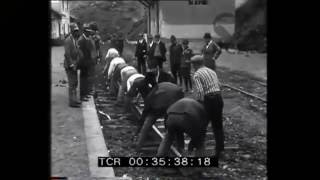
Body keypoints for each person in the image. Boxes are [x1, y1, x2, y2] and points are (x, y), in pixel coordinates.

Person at [190, 55, 225, 162]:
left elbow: (200, 92)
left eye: (192, 64)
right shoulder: (212, 71)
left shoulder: (197, 74)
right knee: (217, 126)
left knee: (202, 125)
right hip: (218, 98)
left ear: (195, 64)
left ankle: (197, 149)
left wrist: (198, 105)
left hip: (209, 100)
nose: (192, 67)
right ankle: (219, 150)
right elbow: (220, 85)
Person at [134, 82, 184, 150]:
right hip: (173, 94)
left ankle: (138, 146)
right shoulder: (153, 94)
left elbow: (144, 117)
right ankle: (179, 146)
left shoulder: (151, 99)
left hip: (171, 98)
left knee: (148, 124)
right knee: (172, 123)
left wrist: (137, 131)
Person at [63, 23, 81, 107]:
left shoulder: (75, 40)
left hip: (75, 64)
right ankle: (72, 102)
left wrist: (77, 62)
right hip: (69, 65)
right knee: (72, 83)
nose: (76, 32)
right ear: (72, 31)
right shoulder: (68, 40)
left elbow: (77, 52)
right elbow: (67, 54)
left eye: (77, 31)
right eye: (75, 31)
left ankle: (75, 99)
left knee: (75, 83)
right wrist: (71, 65)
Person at [77, 23, 96, 101]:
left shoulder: (86, 39)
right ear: (85, 32)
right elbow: (80, 53)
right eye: (88, 32)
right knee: (83, 79)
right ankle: (82, 95)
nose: (89, 33)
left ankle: (85, 93)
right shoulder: (81, 40)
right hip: (83, 63)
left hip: (86, 63)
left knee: (86, 78)